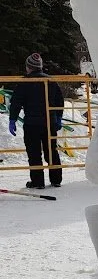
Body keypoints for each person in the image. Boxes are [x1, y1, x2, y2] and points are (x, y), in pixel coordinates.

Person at [8, 53, 64, 189]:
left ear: (29, 67)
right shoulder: (50, 81)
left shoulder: (25, 82)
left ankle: (38, 182)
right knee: (51, 150)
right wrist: (58, 117)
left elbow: (16, 102)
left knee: (34, 153)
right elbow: (59, 100)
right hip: (49, 122)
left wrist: (13, 119)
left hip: (32, 124)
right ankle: (56, 179)